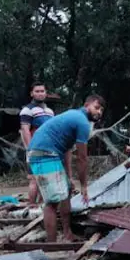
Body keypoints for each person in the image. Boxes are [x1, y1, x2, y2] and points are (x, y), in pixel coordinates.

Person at [28, 95, 105, 242]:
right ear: (86, 105)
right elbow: (82, 158)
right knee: (52, 201)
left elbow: (67, 150)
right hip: (43, 153)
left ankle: (67, 234)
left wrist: (69, 177)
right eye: (96, 107)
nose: (99, 112)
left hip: (52, 154)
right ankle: (51, 245)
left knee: (67, 190)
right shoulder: (82, 122)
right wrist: (84, 185)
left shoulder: (75, 118)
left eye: (101, 110)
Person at [20, 82, 56, 204]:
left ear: (46, 93)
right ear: (32, 93)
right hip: (35, 149)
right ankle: (32, 206)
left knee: (46, 179)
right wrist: (31, 148)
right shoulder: (27, 110)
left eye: (42, 91)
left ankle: (42, 206)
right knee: (34, 180)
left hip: (49, 150)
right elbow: (25, 130)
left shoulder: (50, 112)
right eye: (37, 91)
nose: (40, 93)